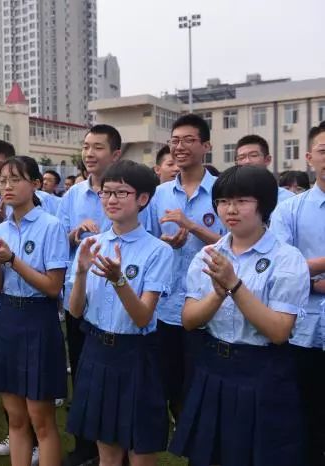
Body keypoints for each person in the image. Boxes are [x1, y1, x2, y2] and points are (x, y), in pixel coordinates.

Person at [171, 165, 310, 465]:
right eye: (223, 201)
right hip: (213, 367)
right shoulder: (208, 255)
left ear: (264, 205)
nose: (230, 209)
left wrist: (234, 285)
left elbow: (279, 331)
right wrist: (217, 295)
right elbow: (189, 319)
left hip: (262, 373)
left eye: (242, 201)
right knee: (210, 456)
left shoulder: (287, 259)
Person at [67, 160, 172, 466]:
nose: (111, 200)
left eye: (121, 192)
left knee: (140, 449)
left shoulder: (158, 250)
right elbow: (75, 312)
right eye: (106, 192)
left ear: (142, 199)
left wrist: (119, 280)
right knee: (107, 451)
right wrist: (83, 273)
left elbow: (143, 317)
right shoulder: (91, 246)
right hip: (97, 351)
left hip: (136, 354)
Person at [0, 156, 69, 466]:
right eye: (2, 180)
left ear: (34, 184)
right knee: (15, 419)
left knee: (41, 419)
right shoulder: (0, 228)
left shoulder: (52, 226)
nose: (6, 186)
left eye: (15, 179)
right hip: (8, 318)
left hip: (37, 320)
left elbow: (52, 287)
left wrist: (11, 260)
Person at [148, 114, 226, 427]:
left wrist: (192, 227)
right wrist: (167, 244)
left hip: (209, 305)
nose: (179, 147)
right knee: (170, 382)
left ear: (206, 145)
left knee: (203, 384)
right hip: (167, 306)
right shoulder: (160, 193)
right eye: (175, 141)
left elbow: (235, 245)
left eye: (188, 140)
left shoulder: (223, 190)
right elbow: (149, 242)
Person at [57, 124, 123, 466]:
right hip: (80, 298)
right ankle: (85, 447)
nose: (89, 153)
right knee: (82, 374)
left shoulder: (129, 193)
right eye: (86, 146)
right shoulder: (73, 195)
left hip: (119, 300)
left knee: (114, 380)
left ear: (116, 154)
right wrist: (75, 232)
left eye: (98, 147)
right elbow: (60, 241)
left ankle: (115, 450)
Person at [270, 121, 325, 466]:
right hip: (303, 331)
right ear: (309, 157)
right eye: (324, 150)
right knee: (305, 419)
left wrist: (307, 274)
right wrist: (315, 282)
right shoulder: (290, 209)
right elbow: (279, 268)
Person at [235, 134, 294, 203]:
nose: (247, 161)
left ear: (267, 160)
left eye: (253, 155)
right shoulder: (227, 198)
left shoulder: (289, 199)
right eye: (241, 157)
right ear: (236, 163)